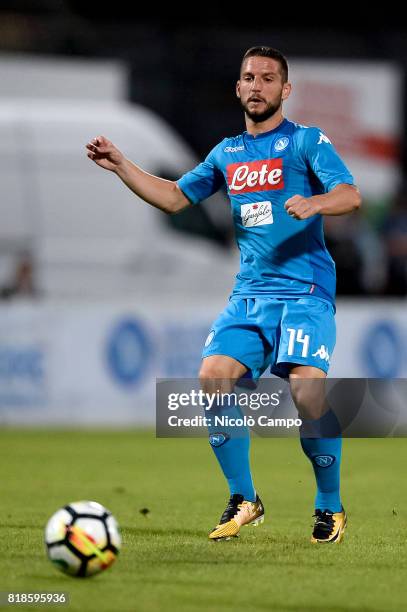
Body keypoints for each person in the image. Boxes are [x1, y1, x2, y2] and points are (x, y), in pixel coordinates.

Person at [86, 46, 361, 544]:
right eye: (249, 78)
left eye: (268, 78)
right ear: (238, 89)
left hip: (305, 292)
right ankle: (245, 498)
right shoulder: (226, 154)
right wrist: (122, 165)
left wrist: (316, 201)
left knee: (306, 392)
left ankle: (329, 504)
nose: (257, 86)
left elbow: (351, 194)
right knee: (213, 376)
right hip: (250, 294)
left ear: (285, 90)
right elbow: (173, 197)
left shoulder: (306, 142)